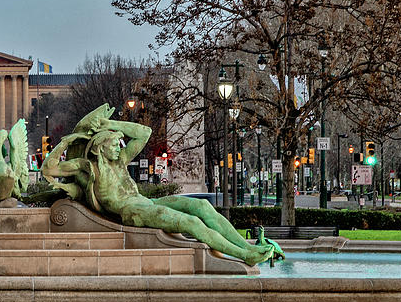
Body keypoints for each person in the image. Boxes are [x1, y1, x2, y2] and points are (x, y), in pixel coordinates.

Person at [41, 104, 281, 266]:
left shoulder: (121, 161)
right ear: (100, 147)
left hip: (146, 202)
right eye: (114, 143)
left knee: (204, 209)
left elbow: (143, 132)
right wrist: (66, 143)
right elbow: (49, 169)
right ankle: (243, 255)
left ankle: (247, 246)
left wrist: (107, 123)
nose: (119, 147)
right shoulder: (88, 167)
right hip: (130, 211)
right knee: (190, 222)